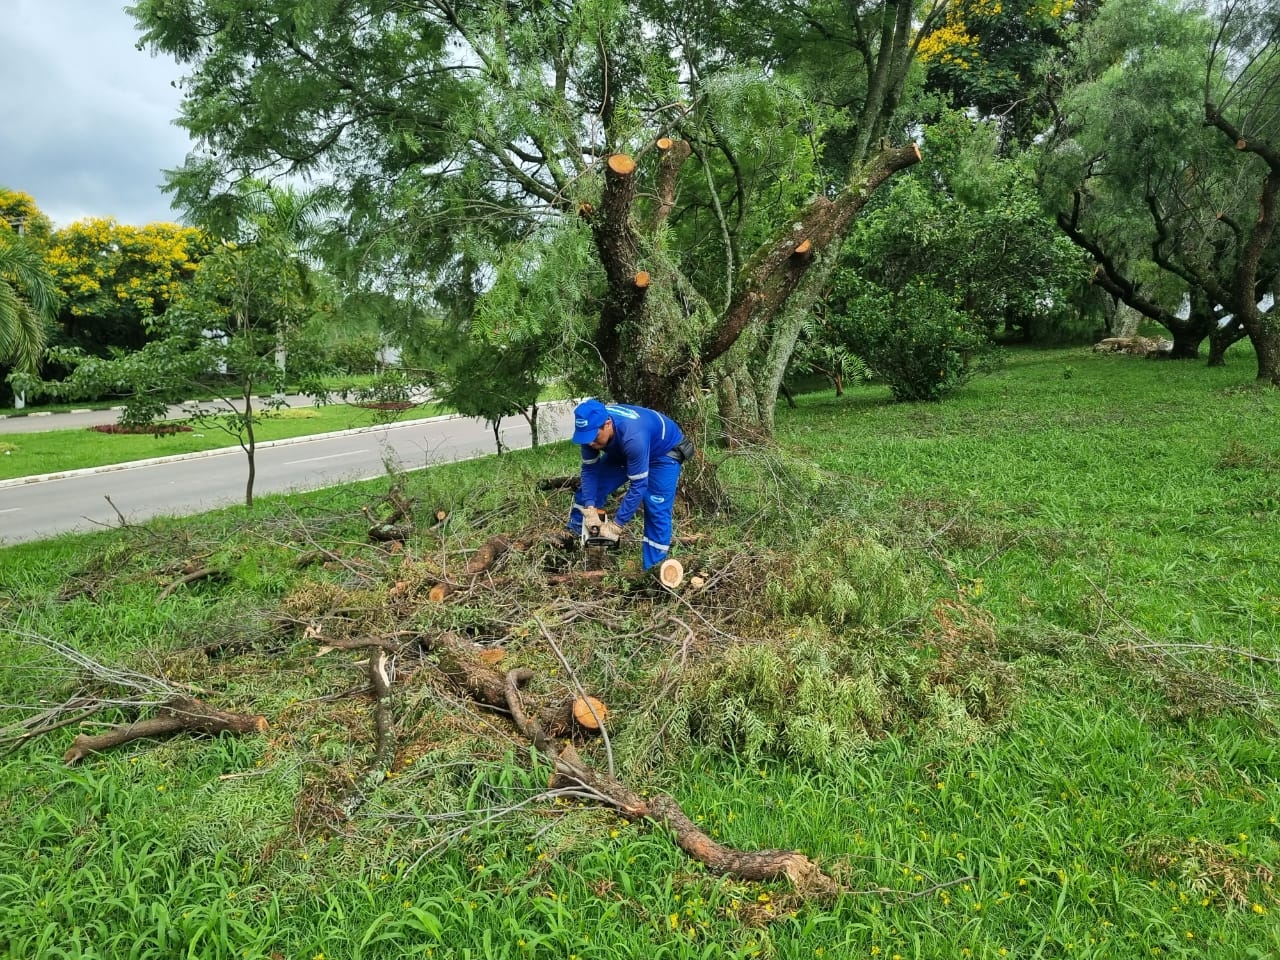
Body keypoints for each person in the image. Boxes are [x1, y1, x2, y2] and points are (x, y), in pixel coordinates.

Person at [567, 398, 694, 571]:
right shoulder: (590, 430)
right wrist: (590, 507)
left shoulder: (633, 437)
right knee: (589, 492)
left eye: (594, 437)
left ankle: (654, 570)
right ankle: (574, 547)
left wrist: (617, 525)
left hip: (663, 453)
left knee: (656, 509)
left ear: (608, 424)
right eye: (585, 437)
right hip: (623, 450)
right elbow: (589, 471)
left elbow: (639, 486)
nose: (590, 443)